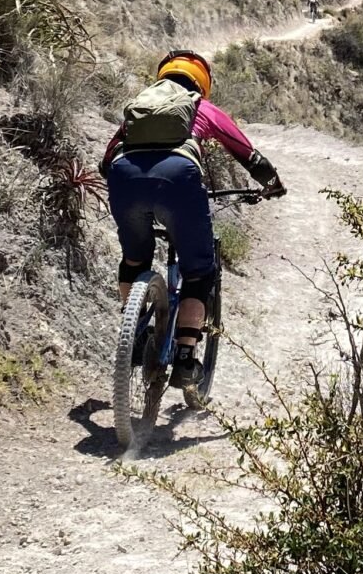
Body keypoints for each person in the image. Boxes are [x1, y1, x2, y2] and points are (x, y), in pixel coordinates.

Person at [101, 50, 283, 385]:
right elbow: (249, 155)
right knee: (199, 272)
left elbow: (106, 160)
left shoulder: (141, 107)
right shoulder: (201, 107)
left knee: (133, 260)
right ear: (202, 83)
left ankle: (136, 332)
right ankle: (185, 358)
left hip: (124, 176)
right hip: (178, 178)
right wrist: (273, 185)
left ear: (162, 77)